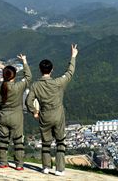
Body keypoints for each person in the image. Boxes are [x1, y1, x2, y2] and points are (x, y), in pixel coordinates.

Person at [26, 44, 78, 176]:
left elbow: (28, 101)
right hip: (58, 114)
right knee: (60, 141)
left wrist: (34, 112)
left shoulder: (35, 85)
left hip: (44, 115)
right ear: (52, 70)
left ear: (40, 70)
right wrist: (73, 56)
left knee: (46, 142)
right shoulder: (58, 82)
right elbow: (69, 72)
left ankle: (46, 167)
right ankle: (59, 169)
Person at [0, 53, 32, 170]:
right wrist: (24, 61)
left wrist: (0, 113)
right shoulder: (18, 87)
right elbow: (29, 77)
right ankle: (19, 164)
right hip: (16, 117)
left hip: (3, 116)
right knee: (18, 141)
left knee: (3, 141)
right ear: (14, 76)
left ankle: (3, 162)